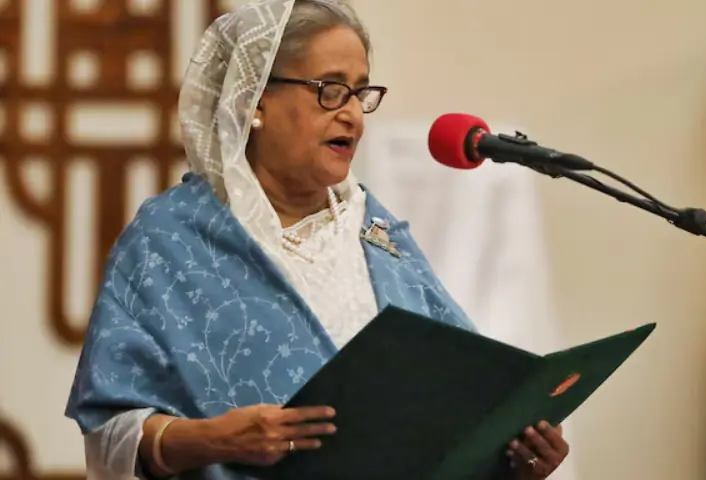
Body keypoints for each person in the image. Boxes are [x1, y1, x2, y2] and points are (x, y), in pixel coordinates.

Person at [64, 1, 571, 478]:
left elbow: (458, 404)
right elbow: (109, 431)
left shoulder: (376, 232)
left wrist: (510, 457)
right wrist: (211, 440)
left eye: (360, 92)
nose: (350, 113)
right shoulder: (169, 238)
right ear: (256, 100)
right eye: (330, 89)